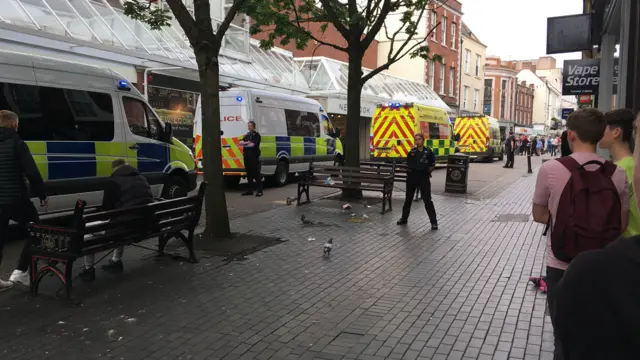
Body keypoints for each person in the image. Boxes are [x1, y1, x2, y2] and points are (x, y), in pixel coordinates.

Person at [532, 108, 628, 360]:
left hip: (561, 265)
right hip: (602, 267)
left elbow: (538, 214)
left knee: (563, 338)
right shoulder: (617, 173)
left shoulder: (551, 168)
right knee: (598, 337)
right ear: (599, 136)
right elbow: (622, 223)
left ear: (570, 135)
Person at [80, 159, 154, 280]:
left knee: (87, 230)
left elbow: (106, 212)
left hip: (126, 227)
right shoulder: (142, 178)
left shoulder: (113, 182)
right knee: (121, 220)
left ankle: (88, 269)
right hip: (145, 223)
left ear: (115, 169)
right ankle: (116, 260)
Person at [0, 110, 47, 289]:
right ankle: (21, 272)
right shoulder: (17, 143)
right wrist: (41, 194)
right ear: (13, 124)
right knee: (36, 230)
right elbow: (32, 173)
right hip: (16, 198)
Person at [600, 109, 640, 237]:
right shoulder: (631, 165)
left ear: (616, 132)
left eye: (602, 128)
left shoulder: (620, 170)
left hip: (628, 245)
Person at [397, 133, 438, 230]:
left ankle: (434, 222)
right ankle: (404, 218)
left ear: (423, 140)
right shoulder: (412, 152)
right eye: (416, 140)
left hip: (423, 178)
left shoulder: (428, 152)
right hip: (412, 177)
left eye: (419, 139)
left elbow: (433, 164)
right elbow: (407, 164)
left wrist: (429, 171)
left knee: (427, 200)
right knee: (408, 199)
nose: (417, 141)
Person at [240, 121, 263, 197]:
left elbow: (252, 145)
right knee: (248, 173)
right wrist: (247, 142)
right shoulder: (247, 135)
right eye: (248, 126)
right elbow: (240, 142)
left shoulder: (256, 135)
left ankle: (260, 191)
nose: (249, 127)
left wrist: (245, 143)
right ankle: (250, 190)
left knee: (256, 173)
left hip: (253, 156)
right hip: (246, 156)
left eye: (250, 126)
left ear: (254, 127)